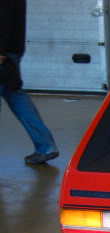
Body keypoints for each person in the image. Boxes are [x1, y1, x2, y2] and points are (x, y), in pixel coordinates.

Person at [0, 0, 59, 165]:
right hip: (10, 52)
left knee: (16, 96)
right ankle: (46, 146)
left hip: (4, 53)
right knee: (15, 96)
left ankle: (46, 146)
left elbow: (3, 16)